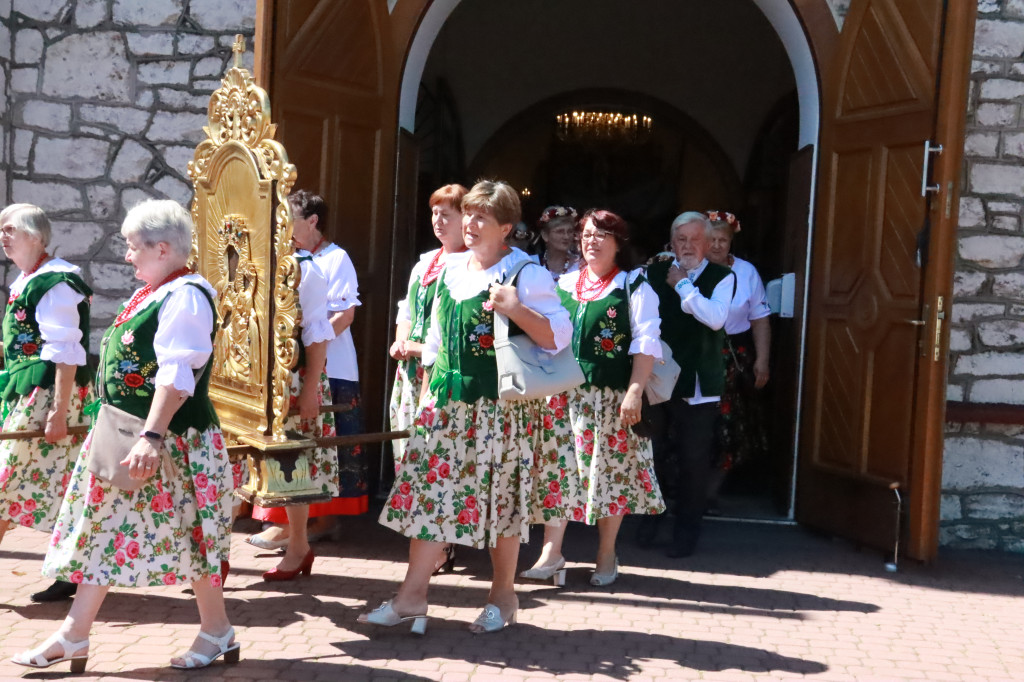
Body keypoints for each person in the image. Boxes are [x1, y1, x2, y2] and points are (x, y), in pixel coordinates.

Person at [13, 200, 238, 672]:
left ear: (161, 248)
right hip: (129, 434)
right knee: (102, 527)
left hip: (173, 442)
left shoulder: (187, 296)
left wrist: (152, 438)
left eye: (134, 247)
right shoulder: (156, 291)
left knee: (194, 535)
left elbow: (178, 377)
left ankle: (217, 632)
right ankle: (74, 635)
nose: (128, 256)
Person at [361, 180, 571, 633]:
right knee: (430, 499)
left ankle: (503, 597)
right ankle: (411, 598)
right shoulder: (452, 269)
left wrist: (516, 309)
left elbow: (558, 340)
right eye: (469, 215)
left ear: (506, 228)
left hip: (500, 410)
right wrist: (425, 402)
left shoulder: (525, 274)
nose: (470, 225)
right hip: (446, 404)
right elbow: (436, 345)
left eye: (482, 218)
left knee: (502, 505)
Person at [521, 209, 665, 587]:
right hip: (562, 397)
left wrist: (635, 390)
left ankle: (606, 552)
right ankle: (552, 553)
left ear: (619, 243)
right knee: (556, 473)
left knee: (608, 477)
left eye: (602, 234)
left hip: (609, 399)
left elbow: (645, 344)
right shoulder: (565, 284)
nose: (591, 241)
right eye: (586, 234)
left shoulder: (634, 286)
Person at [247, 190, 364, 547]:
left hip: (332, 364)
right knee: (293, 443)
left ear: (312, 221)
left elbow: (344, 313)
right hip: (296, 364)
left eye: (291, 218)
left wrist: (314, 346)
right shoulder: (286, 258)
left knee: (323, 443)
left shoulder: (334, 258)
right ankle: (289, 522)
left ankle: (321, 521)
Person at [0, 204, 94, 604]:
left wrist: (58, 410)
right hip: (27, 390)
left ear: (36, 236)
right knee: (57, 485)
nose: (3, 236)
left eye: (11, 230)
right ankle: (73, 570)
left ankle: (74, 569)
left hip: (47, 396)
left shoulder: (56, 281)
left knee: (7, 480)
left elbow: (66, 351)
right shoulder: (29, 278)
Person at [638, 211, 736, 558]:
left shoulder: (723, 276)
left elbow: (714, 318)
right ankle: (649, 524)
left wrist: (681, 284)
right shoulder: (652, 272)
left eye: (696, 240)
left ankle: (686, 535)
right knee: (654, 455)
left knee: (693, 462)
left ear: (709, 244)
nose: (689, 246)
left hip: (698, 384)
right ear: (672, 242)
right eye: (682, 240)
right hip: (658, 381)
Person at [255, 214, 339, 581]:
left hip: (293, 380)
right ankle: (213, 557)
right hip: (253, 381)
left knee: (293, 466)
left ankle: (299, 545)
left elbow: (318, 335)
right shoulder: (254, 266)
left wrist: (309, 391)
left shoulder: (308, 270)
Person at [389, 184, 467, 574]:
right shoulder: (425, 264)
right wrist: (402, 339)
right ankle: (426, 539)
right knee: (411, 460)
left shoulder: (468, 267)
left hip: (439, 375)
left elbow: (454, 330)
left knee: (439, 460)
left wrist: (419, 349)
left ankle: (443, 544)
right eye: (434, 213)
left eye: (447, 214)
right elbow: (407, 307)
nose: (439, 221)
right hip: (409, 375)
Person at [705, 211, 771, 492]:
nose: (717, 245)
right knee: (696, 425)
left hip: (732, 357)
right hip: (697, 354)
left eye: (723, 240)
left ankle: (712, 491)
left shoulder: (746, 272)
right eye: (712, 239)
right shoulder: (688, 268)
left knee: (729, 425)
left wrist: (763, 360)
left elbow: (760, 318)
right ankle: (684, 491)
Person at [536, 206, 581, 279]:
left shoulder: (580, 266)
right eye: (560, 231)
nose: (566, 237)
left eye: (570, 231)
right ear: (545, 235)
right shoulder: (532, 264)